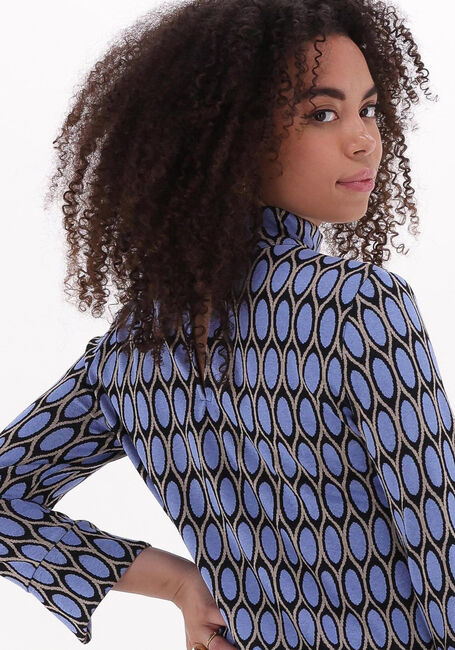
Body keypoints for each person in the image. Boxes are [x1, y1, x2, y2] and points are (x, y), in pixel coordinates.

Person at [0, 0, 450, 648]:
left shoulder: (132, 350)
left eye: (369, 108)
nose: (364, 139)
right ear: (234, 137)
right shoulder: (358, 306)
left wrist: (179, 583)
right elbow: (439, 542)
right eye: (322, 114)